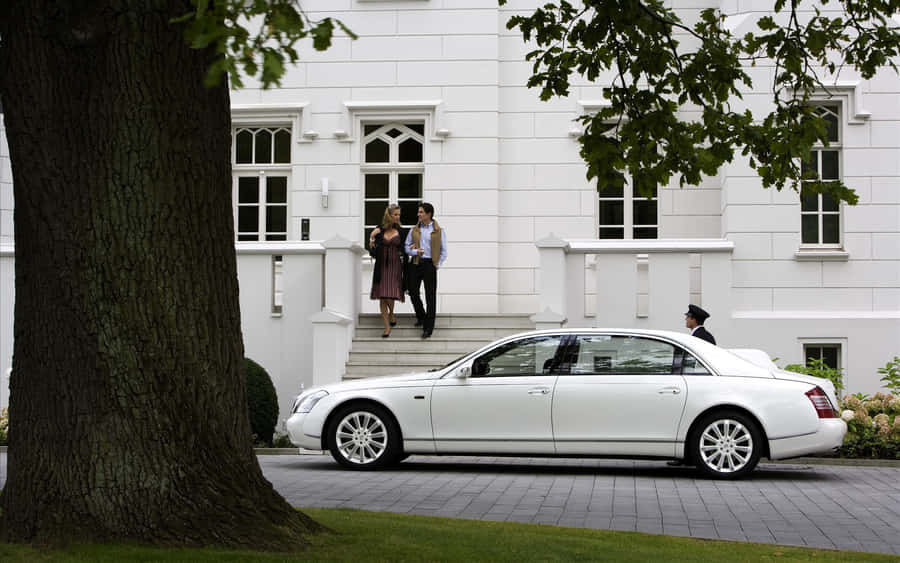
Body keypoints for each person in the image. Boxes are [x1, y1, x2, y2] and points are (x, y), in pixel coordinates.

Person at [404, 202, 447, 339]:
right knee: (412, 291)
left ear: (428, 214)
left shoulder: (439, 231)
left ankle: (428, 328)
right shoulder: (414, 230)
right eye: (419, 212)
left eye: (421, 212)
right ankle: (422, 316)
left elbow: (444, 251)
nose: (418, 214)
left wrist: (436, 265)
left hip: (429, 265)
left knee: (430, 296)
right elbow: (406, 247)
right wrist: (415, 251)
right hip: (416, 263)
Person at [368, 205, 407, 338]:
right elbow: (373, 251)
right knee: (383, 296)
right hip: (381, 266)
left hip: (395, 265)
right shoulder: (380, 229)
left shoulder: (401, 231)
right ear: (388, 215)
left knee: (391, 294)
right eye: (395, 214)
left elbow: (405, 248)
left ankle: (392, 313)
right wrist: (372, 239)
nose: (397, 217)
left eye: (399, 215)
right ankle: (386, 328)